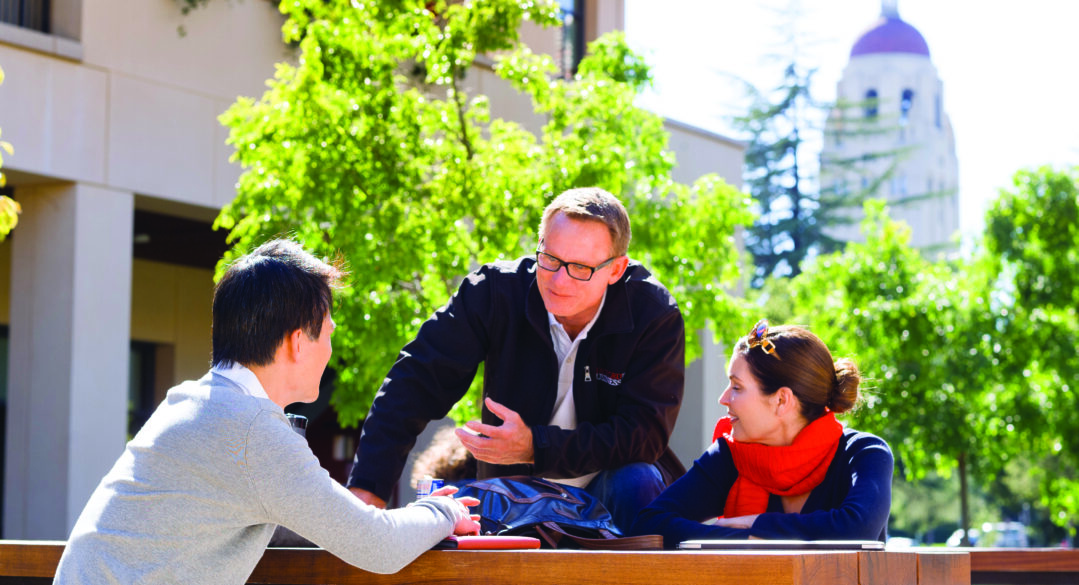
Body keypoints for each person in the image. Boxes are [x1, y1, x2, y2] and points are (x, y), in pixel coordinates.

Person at [53, 240, 479, 585]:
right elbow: (377, 548)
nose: (330, 350)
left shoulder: (192, 401)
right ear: (298, 342)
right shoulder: (253, 430)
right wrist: (445, 512)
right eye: (328, 333)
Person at [347, 187, 686, 533]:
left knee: (638, 479)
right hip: (515, 494)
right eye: (550, 258)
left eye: (580, 268)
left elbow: (644, 435)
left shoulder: (654, 314)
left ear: (616, 270)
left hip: (613, 492)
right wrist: (367, 491)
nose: (559, 280)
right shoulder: (493, 292)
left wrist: (535, 446)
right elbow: (415, 381)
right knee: (439, 505)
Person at [631, 320, 892, 547]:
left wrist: (754, 522)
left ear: (782, 400)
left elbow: (858, 530)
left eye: (737, 387)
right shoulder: (730, 456)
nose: (724, 398)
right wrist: (745, 541)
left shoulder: (863, 453)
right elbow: (650, 524)